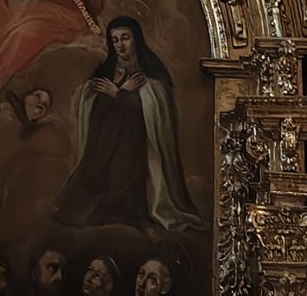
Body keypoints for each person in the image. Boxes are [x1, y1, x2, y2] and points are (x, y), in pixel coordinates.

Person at [55, 15, 205, 232]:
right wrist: (112, 94)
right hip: (105, 145)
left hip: (138, 150)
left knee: (125, 192)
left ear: (136, 39)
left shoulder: (151, 71)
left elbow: (155, 110)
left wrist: (119, 95)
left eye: (125, 38)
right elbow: (94, 106)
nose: (120, 45)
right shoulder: (107, 70)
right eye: (115, 40)